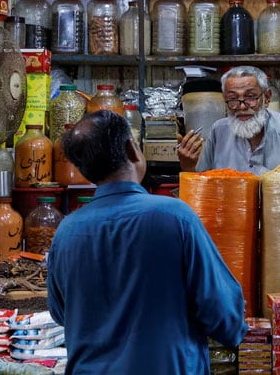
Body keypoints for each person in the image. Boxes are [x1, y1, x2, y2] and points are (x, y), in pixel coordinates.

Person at [47, 110, 248, 374]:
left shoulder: (66, 231)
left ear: (83, 169)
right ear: (132, 149)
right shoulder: (175, 216)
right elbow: (223, 316)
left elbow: (62, 314)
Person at [178, 65, 280, 175]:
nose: (241, 106)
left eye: (250, 97)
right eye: (233, 98)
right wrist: (188, 167)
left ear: (267, 98)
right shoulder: (218, 130)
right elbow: (203, 185)